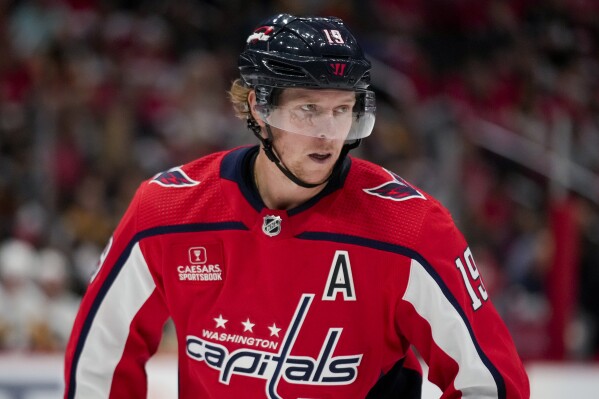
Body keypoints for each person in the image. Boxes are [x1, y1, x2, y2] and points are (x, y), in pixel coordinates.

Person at [64, 13, 529, 398]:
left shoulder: (410, 228)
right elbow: (99, 364)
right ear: (258, 108)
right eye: (308, 109)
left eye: (341, 109)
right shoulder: (166, 211)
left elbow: (490, 384)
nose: (328, 133)